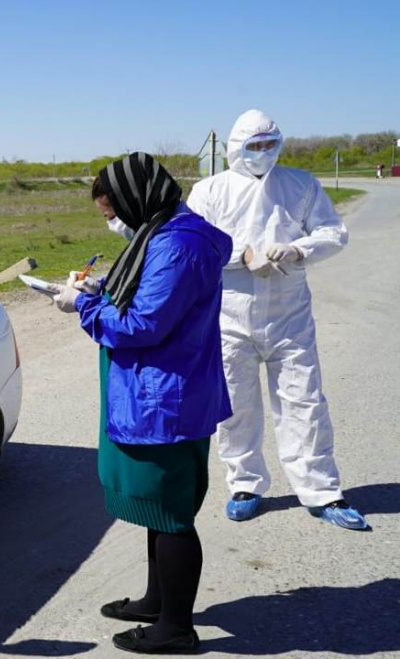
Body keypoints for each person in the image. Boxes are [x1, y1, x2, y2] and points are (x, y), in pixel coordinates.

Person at [50, 153, 232, 654]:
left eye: (114, 213)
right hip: (161, 391)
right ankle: (157, 602)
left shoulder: (178, 245)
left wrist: (82, 305)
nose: (113, 223)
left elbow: (142, 324)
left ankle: (176, 628)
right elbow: (148, 296)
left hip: (166, 399)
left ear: (136, 200)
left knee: (171, 514)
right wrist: (101, 289)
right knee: (157, 505)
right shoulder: (163, 233)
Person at [187, 109, 367, 531]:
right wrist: (242, 256)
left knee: (305, 402)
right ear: (237, 148)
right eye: (255, 146)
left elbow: (332, 232)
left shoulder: (300, 184)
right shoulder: (210, 191)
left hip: (289, 315)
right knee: (236, 405)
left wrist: (298, 250)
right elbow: (192, 245)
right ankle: (244, 485)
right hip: (229, 315)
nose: (263, 152)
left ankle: (322, 490)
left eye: (271, 144)